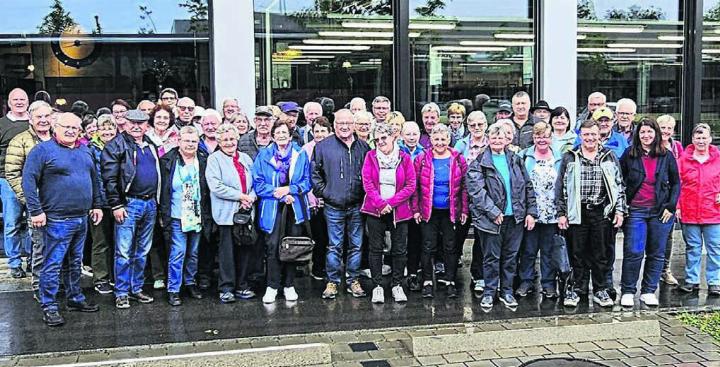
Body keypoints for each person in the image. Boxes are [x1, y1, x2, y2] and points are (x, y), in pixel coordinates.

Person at [23, 112, 103, 326]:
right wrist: (35, 211)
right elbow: (28, 182)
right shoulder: (42, 151)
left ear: (80, 131)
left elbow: (94, 179)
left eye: (75, 128)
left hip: (81, 217)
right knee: (53, 264)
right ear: (54, 127)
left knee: (75, 262)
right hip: (55, 219)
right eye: (66, 127)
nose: (70, 131)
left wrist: (96, 205)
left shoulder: (84, 150)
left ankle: (75, 298)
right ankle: (49, 306)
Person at [556, 120, 626, 308]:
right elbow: (560, 187)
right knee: (577, 253)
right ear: (580, 135)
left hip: (601, 212)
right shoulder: (570, 156)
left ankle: (600, 290)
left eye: (593, 134)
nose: (590, 138)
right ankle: (577, 289)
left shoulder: (609, 156)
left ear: (599, 135)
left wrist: (619, 210)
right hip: (576, 212)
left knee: (601, 254)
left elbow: (619, 185)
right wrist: (561, 213)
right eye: (586, 134)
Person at [466, 123, 536, 308]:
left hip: (515, 218)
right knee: (491, 257)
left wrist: (531, 212)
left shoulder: (515, 160)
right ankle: (489, 292)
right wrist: (493, 211)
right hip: (491, 220)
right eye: (494, 136)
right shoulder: (479, 163)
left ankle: (506, 291)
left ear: (508, 139)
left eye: (501, 136)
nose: (497, 140)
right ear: (488, 139)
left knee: (511, 257)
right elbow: (476, 192)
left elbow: (527, 186)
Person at [101, 109, 161, 309]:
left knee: (142, 250)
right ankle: (121, 292)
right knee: (124, 252)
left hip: (150, 203)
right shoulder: (115, 145)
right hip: (128, 203)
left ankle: (136, 288)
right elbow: (109, 179)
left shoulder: (150, 144)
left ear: (147, 125)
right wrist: (116, 204)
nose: (136, 126)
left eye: (141, 123)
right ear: (124, 124)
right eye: (132, 123)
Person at [619, 118, 680, 307]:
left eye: (650, 132)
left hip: (660, 212)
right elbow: (620, 180)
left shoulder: (666, 156)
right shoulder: (629, 154)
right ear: (638, 135)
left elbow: (676, 182)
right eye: (643, 132)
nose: (646, 136)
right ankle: (628, 290)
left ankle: (648, 290)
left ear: (656, 134)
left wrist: (671, 206)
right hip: (636, 210)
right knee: (634, 251)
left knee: (656, 252)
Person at [312, 109, 371, 299]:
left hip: (356, 206)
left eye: (348, 123)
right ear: (334, 125)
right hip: (333, 206)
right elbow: (314, 174)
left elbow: (371, 175)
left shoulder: (363, 147)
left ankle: (353, 280)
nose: (344, 126)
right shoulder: (323, 146)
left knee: (356, 245)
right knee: (334, 246)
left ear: (354, 125)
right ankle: (332, 281)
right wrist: (326, 193)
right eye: (340, 123)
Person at [253, 121, 312, 303]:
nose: (281, 135)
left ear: (290, 134)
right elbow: (258, 184)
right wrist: (278, 194)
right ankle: (272, 286)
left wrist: (289, 190)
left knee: (291, 247)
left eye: (284, 132)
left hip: (294, 207)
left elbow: (306, 182)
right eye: (277, 132)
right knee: (272, 247)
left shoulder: (300, 154)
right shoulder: (263, 155)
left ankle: (289, 285)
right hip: (272, 208)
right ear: (272, 135)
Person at [412, 124, 468, 299]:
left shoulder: (458, 159)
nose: (440, 142)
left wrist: (464, 210)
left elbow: (465, 188)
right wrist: (416, 210)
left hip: (451, 211)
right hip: (429, 211)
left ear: (449, 139)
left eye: (444, 139)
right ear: (431, 140)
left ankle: (450, 280)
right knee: (428, 245)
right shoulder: (422, 159)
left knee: (450, 246)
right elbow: (415, 188)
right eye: (436, 139)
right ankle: (428, 281)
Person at [361, 124, 416, 303]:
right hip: (374, 209)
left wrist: (390, 204)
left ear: (393, 137)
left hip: (399, 210)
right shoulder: (370, 156)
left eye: (383, 138)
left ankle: (397, 284)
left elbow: (410, 185)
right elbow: (367, 182)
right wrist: (379, 203)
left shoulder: (405, 158)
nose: (380, 142)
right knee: (375, 248)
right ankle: (377, 286)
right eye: (376, 139)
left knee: (399, 249)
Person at [159, 126, 211, 306]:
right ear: (178, 141)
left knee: (194, 252)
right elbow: (163, 189)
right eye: (187, 140)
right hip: (176, 214)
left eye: (194, 141)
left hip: (197, 214)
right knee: (178, 252)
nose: (190, 144)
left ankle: (190, 282)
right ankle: (174, 288)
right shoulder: (168, 160)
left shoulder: (204, 159)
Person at [5, 100, 53, 294]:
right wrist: (30, 200)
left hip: (58, 203)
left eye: (46, 116)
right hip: (37, 204)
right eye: (38, 117)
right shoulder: (20, 140)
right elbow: (12, 173)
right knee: (39, 247)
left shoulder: (58, 138)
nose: (43, 120)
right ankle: (39, 288)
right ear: (30, 119)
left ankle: (58, 285)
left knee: (57, 247)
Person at [206, 124, 256, 303]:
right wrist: (240, 196)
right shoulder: (214, 160)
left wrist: (250, 197)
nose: (229, 143)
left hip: (246, 212)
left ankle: (242, 285)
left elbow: (255, 182)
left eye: (232, 139)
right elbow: (216, 186)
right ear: (219, 141)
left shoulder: (245, 158)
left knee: (245, 249)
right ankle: (226, 288)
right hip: (226, 214)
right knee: (227, 252)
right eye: (225, 139)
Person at [516, 122, 563, 298]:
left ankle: (549, 284)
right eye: (538, 136)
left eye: (545, 136)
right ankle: (526, 282)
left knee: (548, 251)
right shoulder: (523, 156)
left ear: (551, 138)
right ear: (533, 138)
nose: (542, 139)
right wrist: (527, 212)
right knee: (528, 250)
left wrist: (561, 213)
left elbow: (564, 187)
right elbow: (520, 187)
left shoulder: (560, 157)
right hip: (531, 213)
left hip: (552, 214)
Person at [677, 123, 720, 295]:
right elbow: (677, 185)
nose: (701, 141)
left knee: (715, 248)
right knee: (692, 248)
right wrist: (677, 207)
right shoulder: (683, 160)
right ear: (693, 139)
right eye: (698, 137)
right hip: (689, 211)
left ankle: (714, 281)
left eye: (704, 137)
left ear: (710, 139)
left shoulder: (718, 158)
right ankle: (691, 280)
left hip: (714, 212)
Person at [0, 87, 31, 278]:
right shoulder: (2, 124)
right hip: (7, 179)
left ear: (27, 102)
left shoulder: (35, 121)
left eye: (23, 99)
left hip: (34, 180)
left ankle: (32, 259)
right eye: (15, 99)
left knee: (33, 222)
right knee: (12, 222)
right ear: (9, 103)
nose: (19, 102)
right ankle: (14, 263)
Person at [88, 115, 117, 294]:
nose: (107, 131)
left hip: (118, 202)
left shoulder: (121, 146)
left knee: (118, 241)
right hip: (98, 202)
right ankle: (101, 278)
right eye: (103, 128)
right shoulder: (90, 149)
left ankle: (116, 276)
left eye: (110, 128)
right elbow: (91, 177)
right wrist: (94, 203)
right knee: (100, 242)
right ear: (97, 130)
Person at [302, 117, 333, 280]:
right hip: (315, 201)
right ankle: (318, 267)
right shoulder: (306, 149)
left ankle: (333, 267)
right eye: (316, 131)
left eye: (323, 130)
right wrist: (313, 200)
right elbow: (305, 177)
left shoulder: (335, 147)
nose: (319, 134)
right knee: (319, 237)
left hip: (333, 199)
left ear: (329, 132)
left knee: (334, 237)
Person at [657, 114, 684, 285]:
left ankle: (665, 270)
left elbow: (680, 177)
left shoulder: (678, 148)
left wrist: (676, 203)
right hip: (653, 198)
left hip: (671, 199)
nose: (666, 131)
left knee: (668, 236)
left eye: (669, 128)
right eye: (662, 127)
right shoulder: (649, 145)